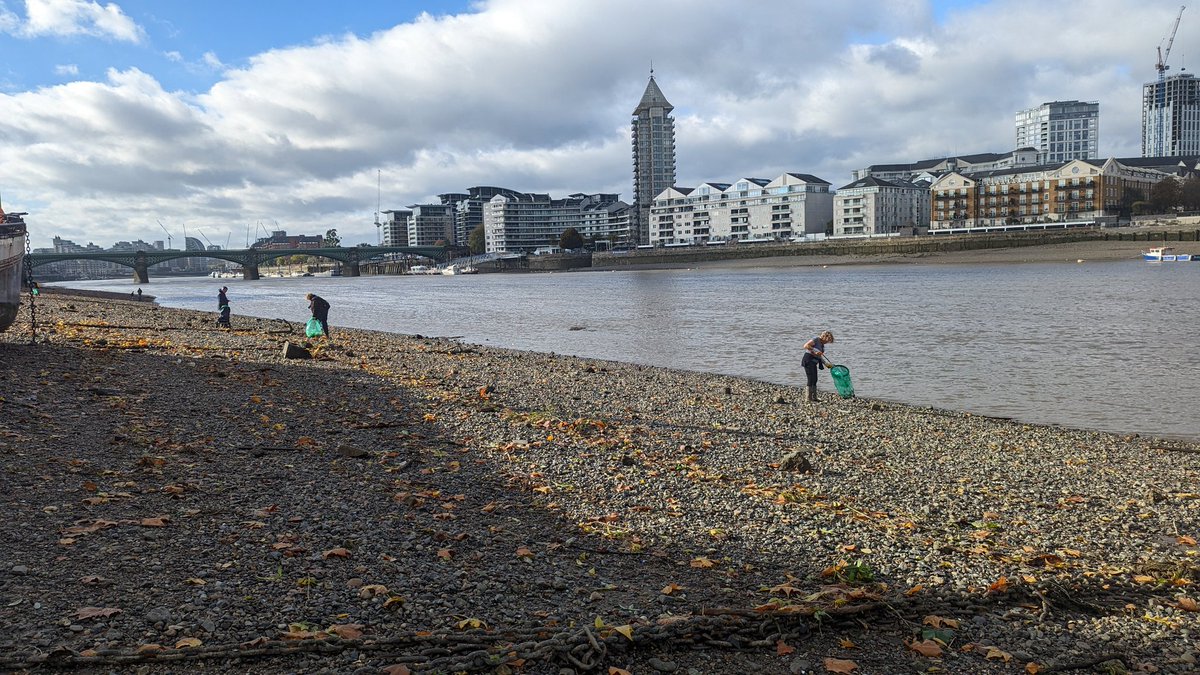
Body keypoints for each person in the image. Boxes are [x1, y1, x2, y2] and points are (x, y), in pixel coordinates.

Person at [801, 330, 835, 403]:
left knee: (815, 379)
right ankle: (808, 398)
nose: (827, 342)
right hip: (808, 360)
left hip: (814, 362)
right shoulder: (816, 339)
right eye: (827, 340)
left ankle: (814, 397)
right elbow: (806, 346)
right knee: (810, 379)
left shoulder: (822, 346)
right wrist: (814, 351)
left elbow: (820, 357)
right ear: (824, 336)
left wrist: (828, 365)